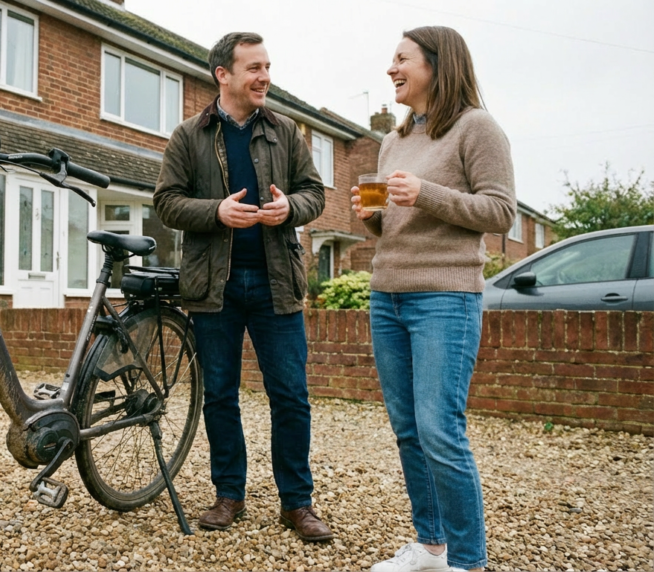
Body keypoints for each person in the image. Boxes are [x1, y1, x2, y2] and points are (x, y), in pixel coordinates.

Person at [154, 31, 332, 542]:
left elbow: (314, 193)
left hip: (277, 285)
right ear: (223, 75)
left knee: (292, 396)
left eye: (268, 66)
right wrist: (216, 211)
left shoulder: (286, 131)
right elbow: (166, 202)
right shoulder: (189, 135)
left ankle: (297, 503)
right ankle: (229, 494)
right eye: (254, 67)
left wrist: (290, 209)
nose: (265, 77)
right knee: (219, 395)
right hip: (214, 287)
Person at [351, 26, 515, 572]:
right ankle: (431, 545)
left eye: (401, 59)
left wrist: (428, 193)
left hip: (445, 296)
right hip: (387, 295)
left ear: (437, 65)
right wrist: (374, 216)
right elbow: (393, 226)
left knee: (440, 429)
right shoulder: (393, 140)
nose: (391, 69)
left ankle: (468, 561)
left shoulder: (477, 128)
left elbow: (500, 212)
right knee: (407, 428)